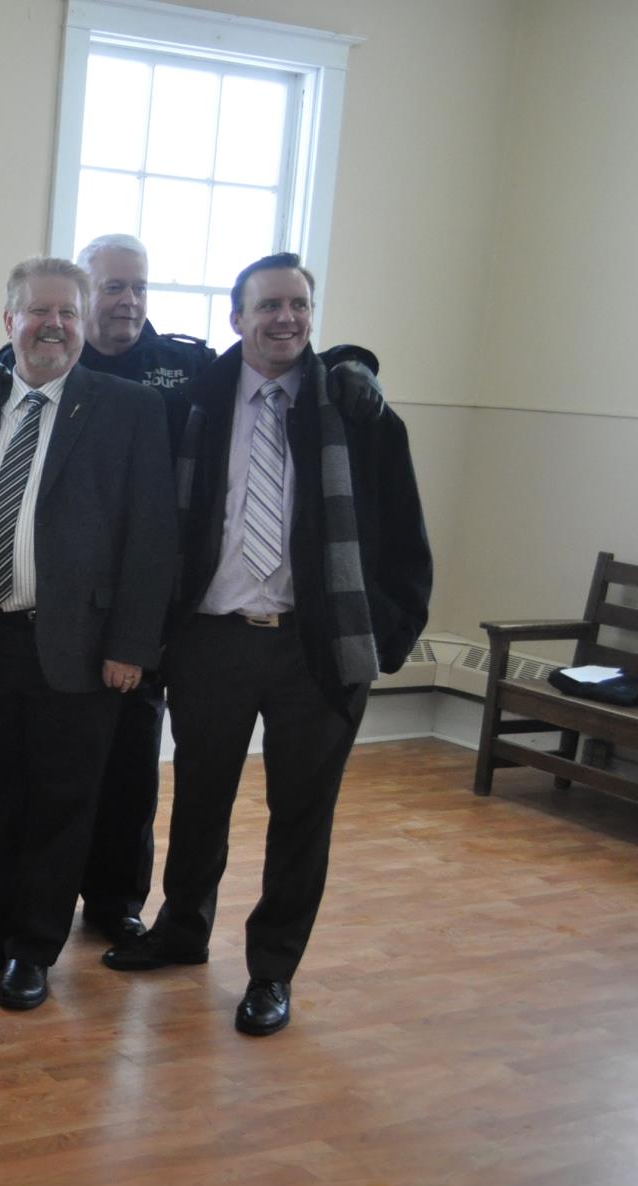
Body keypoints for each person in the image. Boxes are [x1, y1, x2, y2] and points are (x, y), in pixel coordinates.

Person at [0, 233, 389, 947]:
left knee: (122, 783)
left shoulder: (181, 373)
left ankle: (109, 904)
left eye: (136, 289)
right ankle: (33, 925)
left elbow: (282, 361)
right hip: (116, 633)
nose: (126, 302)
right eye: (112, 288)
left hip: (132, 633)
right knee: (21, 793)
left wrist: (352, 362)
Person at [102, 253, 431, 1036]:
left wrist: (380, 637)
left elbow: (404, 543)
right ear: (236, 317)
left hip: (314, 652)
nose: (286, 318)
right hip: (212, 642)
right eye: (269, 305)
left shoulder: (358, 413)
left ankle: (272, 969)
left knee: (300, 819)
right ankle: (183, 928)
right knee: (199, 800)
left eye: (299, 304)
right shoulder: (193, 405)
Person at [0, 257, 175, 1012]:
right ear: (9, 323)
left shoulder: (127, 409)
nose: (53, 324)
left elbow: (152, 537)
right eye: (37, 311)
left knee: (63, 803)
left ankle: (34, 948)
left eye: (68, 311)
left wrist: (132, 643)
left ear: (86, 323)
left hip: (79, 646)